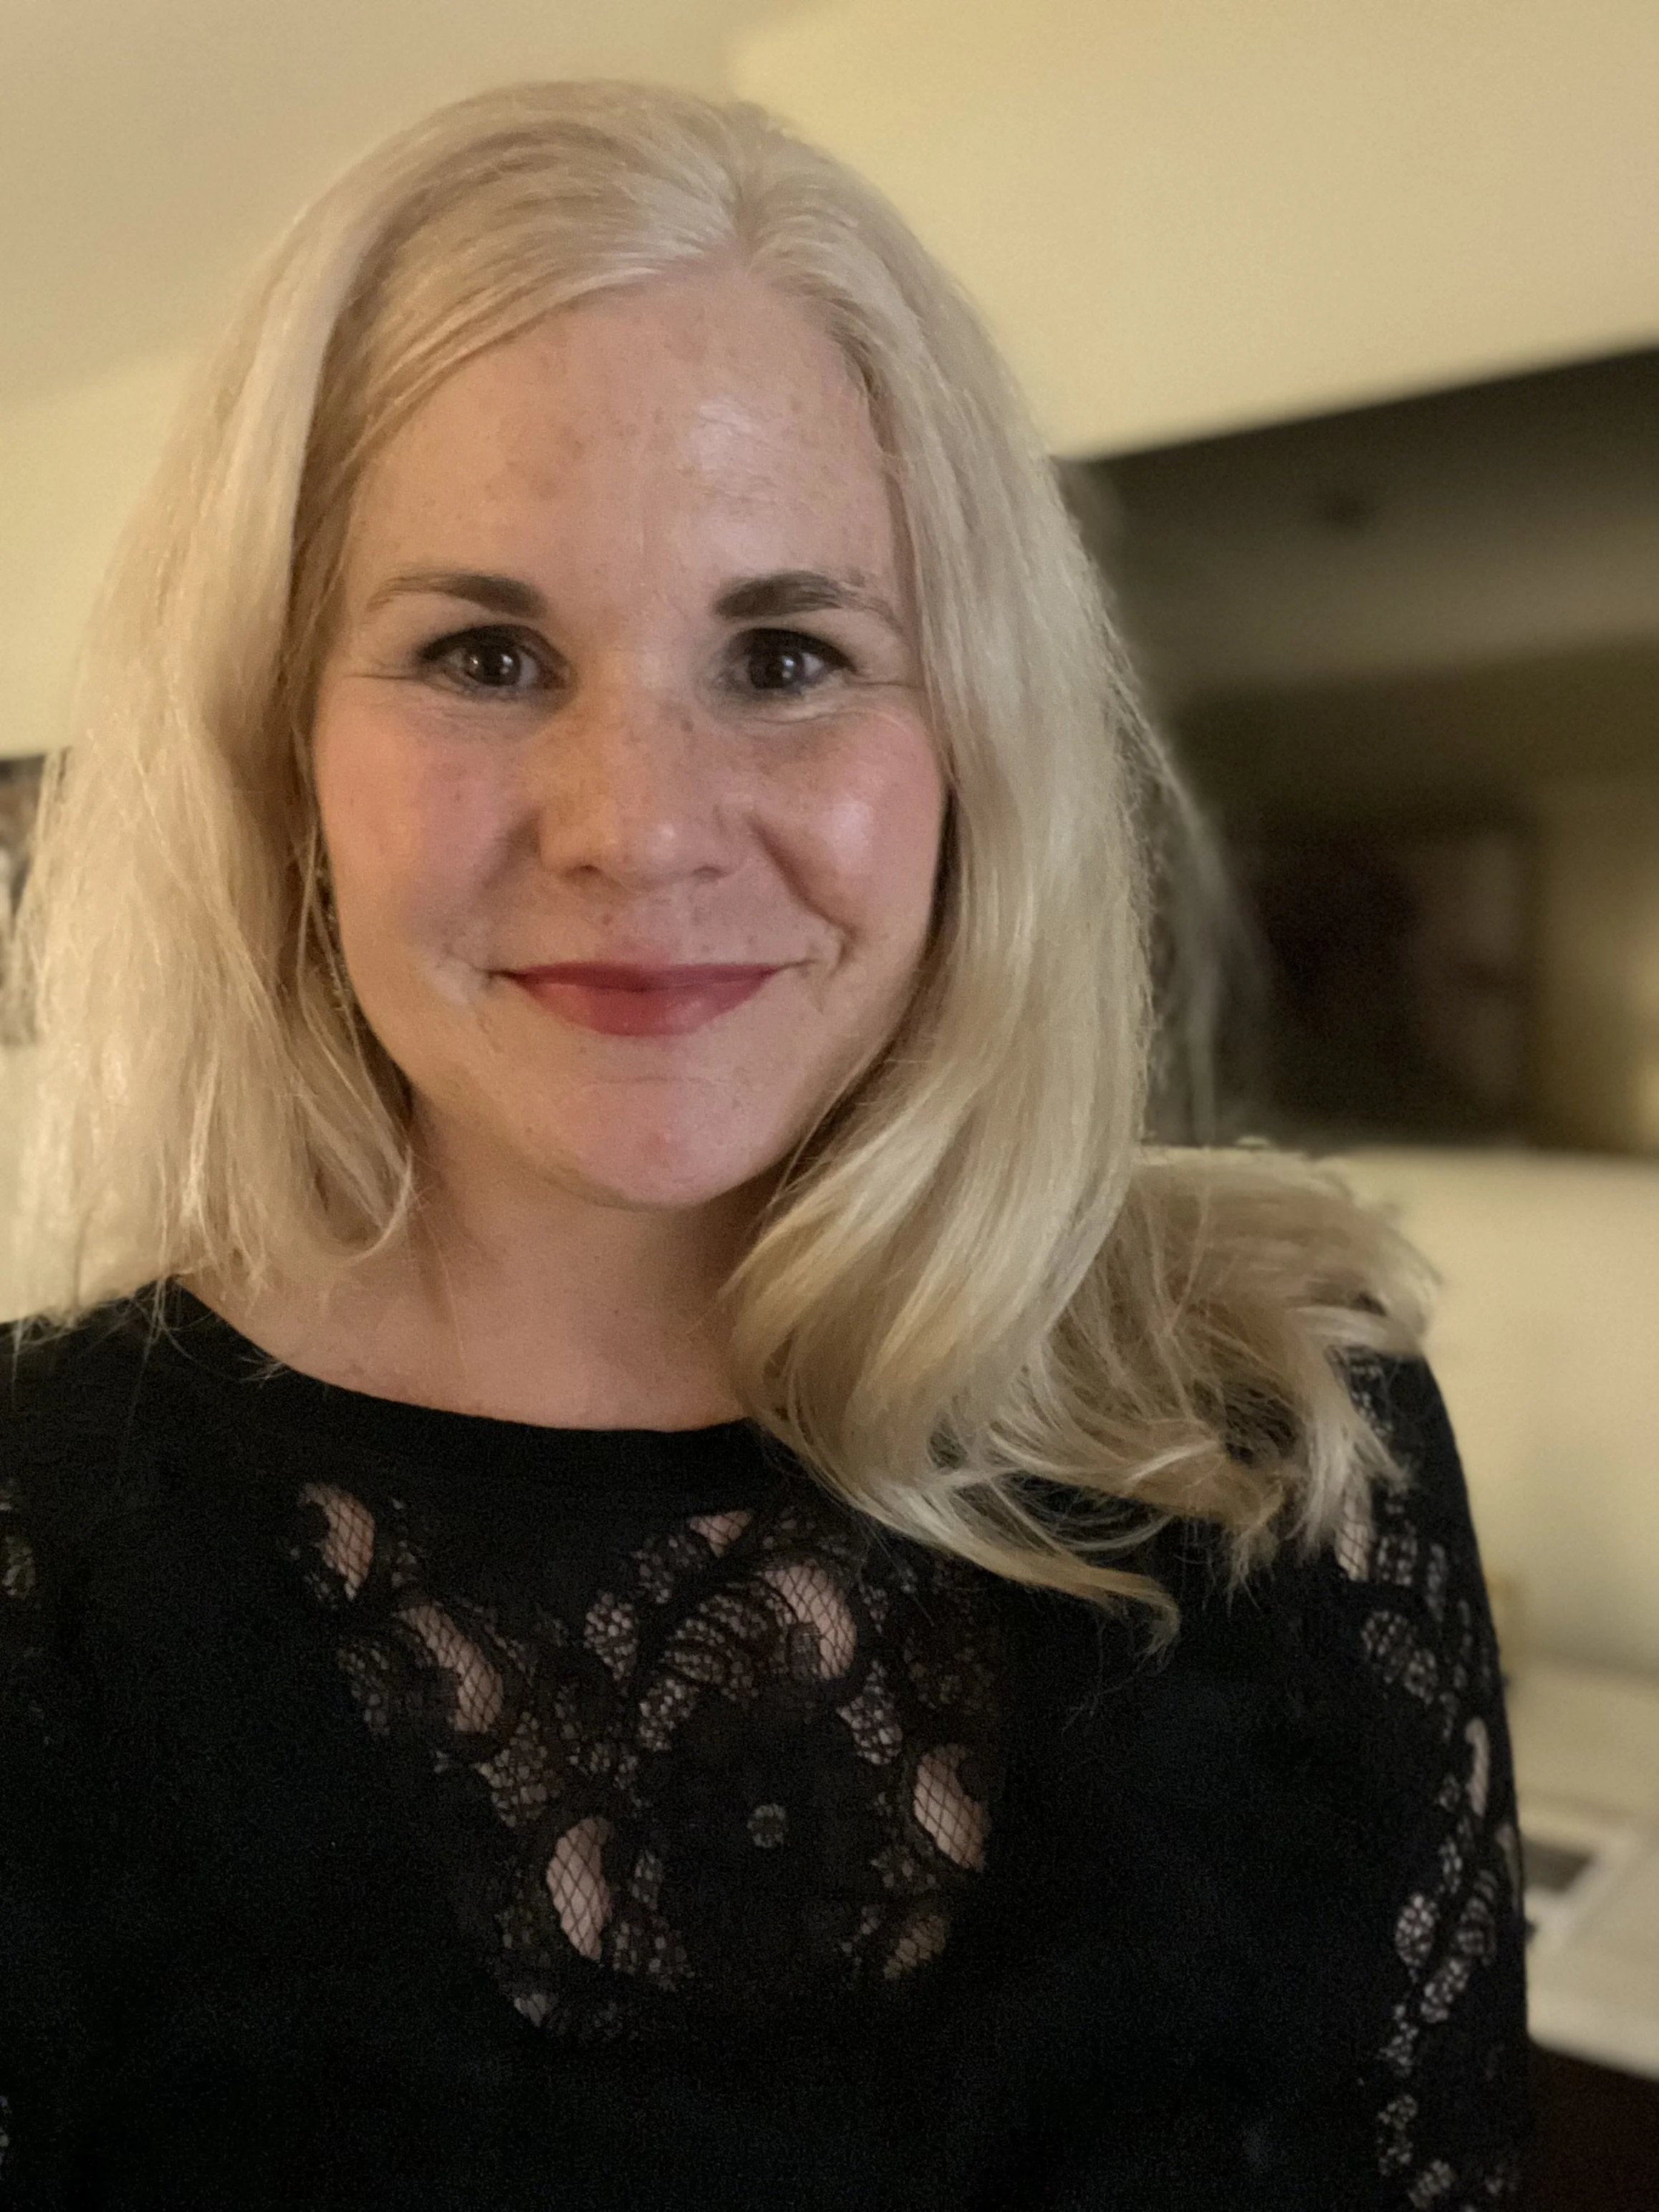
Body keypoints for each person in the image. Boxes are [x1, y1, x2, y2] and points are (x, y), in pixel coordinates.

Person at [0, 80, 1527, 2210]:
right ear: (283, 754)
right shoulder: (39, 1547)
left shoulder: (1287, 1447)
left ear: (966, 743)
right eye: (484, 652)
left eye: (787, 653)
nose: (635, 822)